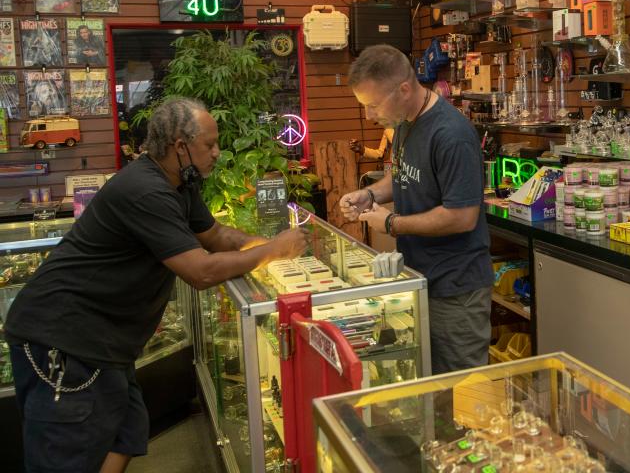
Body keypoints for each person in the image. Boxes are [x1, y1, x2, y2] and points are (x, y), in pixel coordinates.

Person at [4, 97, 308, 472]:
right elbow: (201, 272)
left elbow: (215, 235)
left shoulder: (180, 182)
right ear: (180, 146)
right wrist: (274, 251)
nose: (217, 152)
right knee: (69, 456)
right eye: (209, 144)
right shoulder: (145, 190)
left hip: (103, 344)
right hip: (64, 341)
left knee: (126, 432)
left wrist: (265, 246)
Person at [339, 45, 493, 375]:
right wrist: (369, 194)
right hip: (420, 279)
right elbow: (402, 173)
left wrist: (392, 223)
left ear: (404, 89)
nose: (369, 115)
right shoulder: (406, 120)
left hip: (456, 290)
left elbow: (462, 216)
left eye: (373, 105)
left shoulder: (452, 135)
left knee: (464, 394)